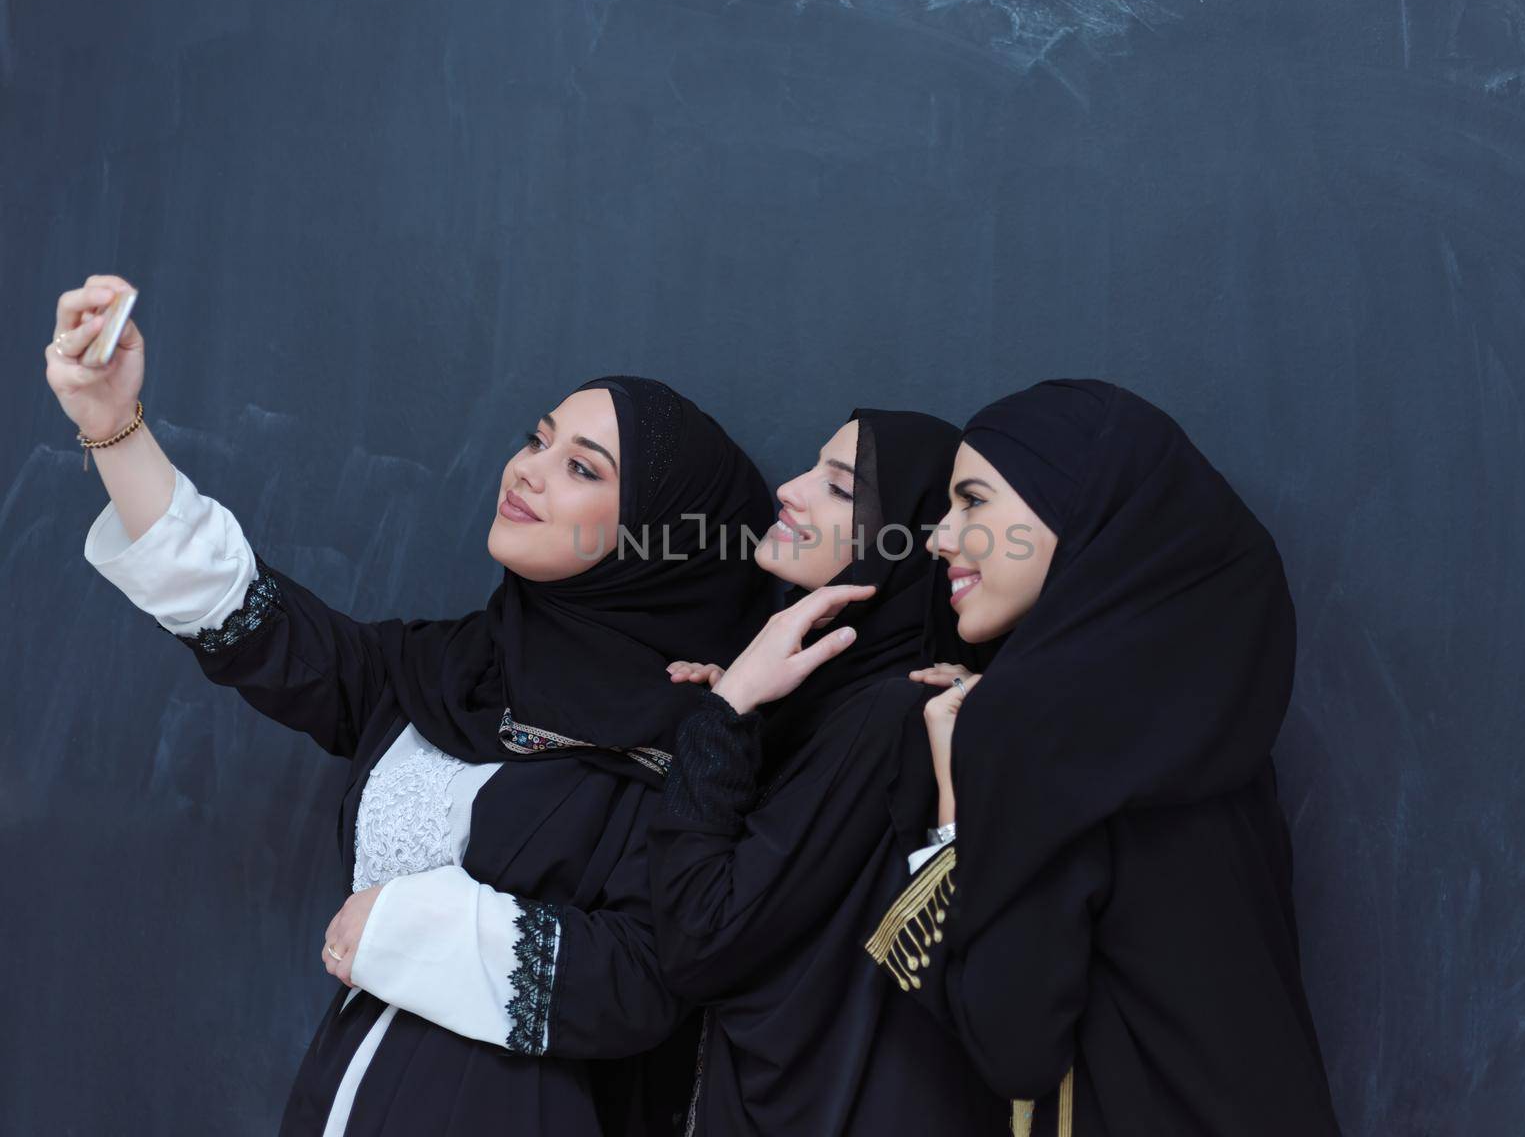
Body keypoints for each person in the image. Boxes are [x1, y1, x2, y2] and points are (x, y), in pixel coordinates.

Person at [47, 274, 779, 1136]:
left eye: (580, 467)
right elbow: (246, 615)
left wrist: (404, 925)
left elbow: (650, 976)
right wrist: (110, 425)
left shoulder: (687, 737)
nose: (528, 471)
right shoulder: (447, 671)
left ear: (662, 539)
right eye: (537, 440)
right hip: (341, 1095)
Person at [872, 378, 1342, 1136]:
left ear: (1074, 509)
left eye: (974, 502)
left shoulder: (1030, 729)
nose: (938, 538)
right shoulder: (1200, 706)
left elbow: (1010, 1046)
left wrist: (956, 804)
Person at [647, 408, 1009, 1135]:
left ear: (907, 538)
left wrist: (723, 719)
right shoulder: (841, 703)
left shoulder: (892, 718)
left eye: (841, 488)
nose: (789, 489)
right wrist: (742, 717)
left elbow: (703, 939)